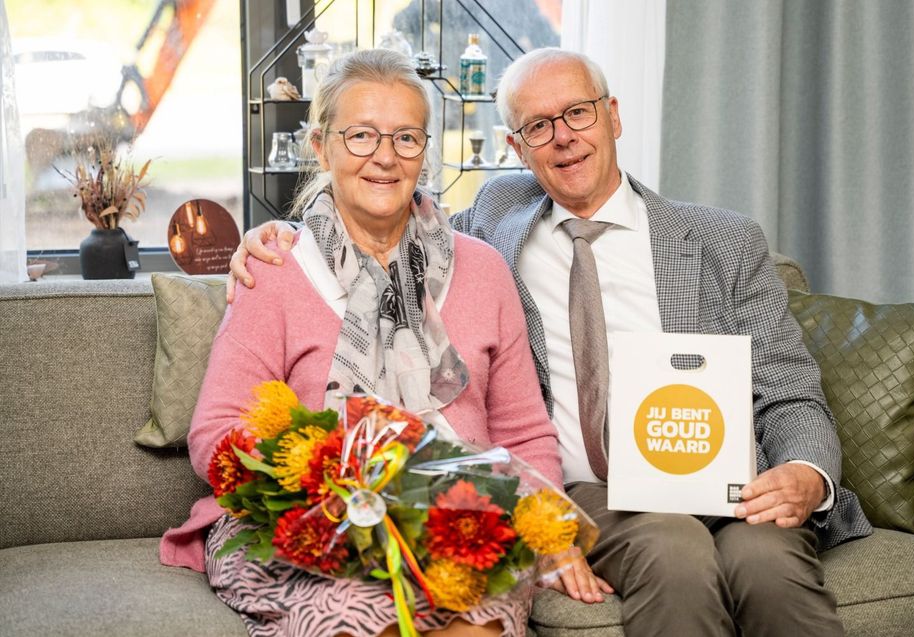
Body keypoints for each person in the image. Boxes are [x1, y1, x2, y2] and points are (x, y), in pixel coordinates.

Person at [230, 47, 874, 635]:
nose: (562, 137)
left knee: (768, 569)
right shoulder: (493, 226)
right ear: (516, 146)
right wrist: (267, 239)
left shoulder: (721, 241)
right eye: (538, 126)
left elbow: (790, 390)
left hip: (732, 483)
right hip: (601, 490)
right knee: (676, 554)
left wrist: (806, 473)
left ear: (613, 116)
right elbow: (380, 223)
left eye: (577, 113)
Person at [160, 49, 566, 637]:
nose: (384, 157)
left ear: (424, 151)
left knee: (476, 621)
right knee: (365, 616)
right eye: (361, 136)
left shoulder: (483, 270)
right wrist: (334, 479)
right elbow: (216, 433)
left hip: (453, 517)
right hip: (305, 517)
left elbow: (525, 434)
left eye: (405, 137)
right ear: (321, 147)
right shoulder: (274, 269)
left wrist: (549, 530)